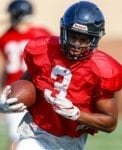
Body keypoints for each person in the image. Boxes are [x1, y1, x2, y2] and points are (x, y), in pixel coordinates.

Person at [0, 1, 122, 150]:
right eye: (73, 36)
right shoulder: (42, 49)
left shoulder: (103, 70)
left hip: (71, 140)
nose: (76, 45)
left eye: (84, 39)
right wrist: (8, 102)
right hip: (36, 131)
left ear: (95, 39)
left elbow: (110, 123)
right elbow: (27, 83)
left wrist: (77, 114)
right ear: (63, 31)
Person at [0, 0, 52, 149]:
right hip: (19, 90)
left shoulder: (5, 37)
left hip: (31, 90)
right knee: (16, 137)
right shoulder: (41, 33)